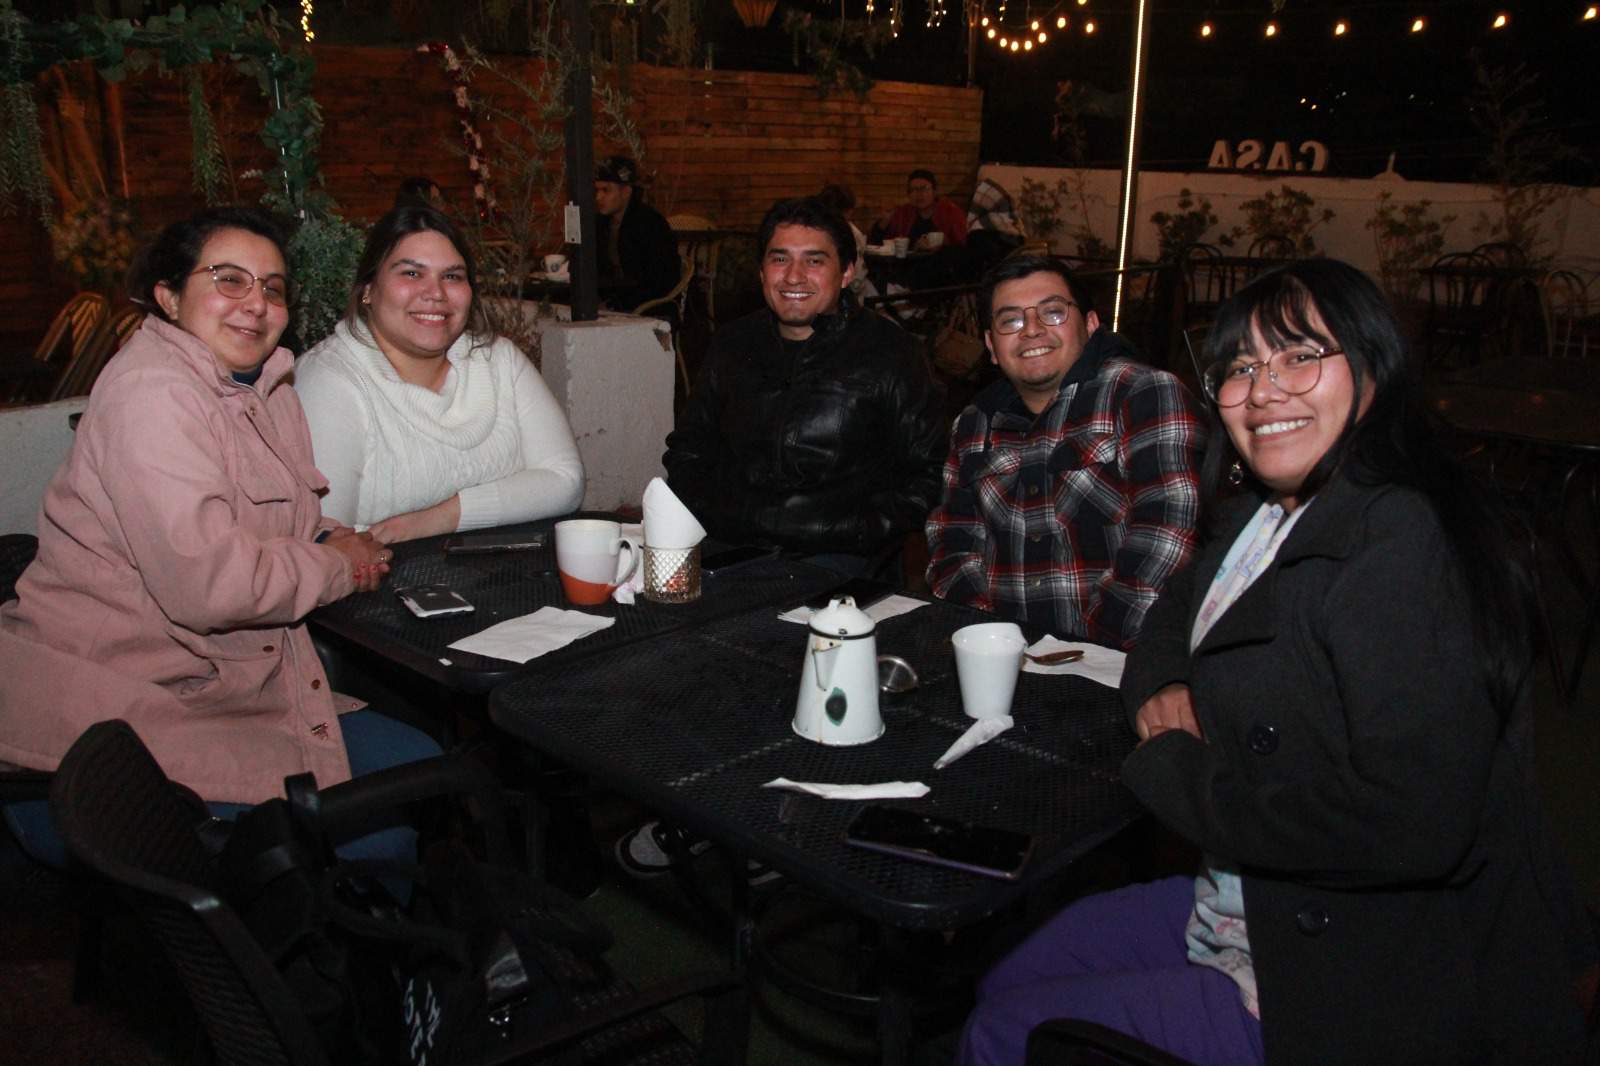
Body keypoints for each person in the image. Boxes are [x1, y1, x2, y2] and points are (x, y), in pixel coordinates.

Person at [958, 259, 1594, 1065]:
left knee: (998, 1031)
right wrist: (1169, 682)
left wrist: (1171, 765)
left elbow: (1413, 826)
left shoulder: (1398, 542)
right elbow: (1167, 618)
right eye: (1243, 367)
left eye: (1300, 356)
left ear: (1371, 370)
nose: (1265, 391)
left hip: (1350, 966)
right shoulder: (1264, 514)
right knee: (1004, 967)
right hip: (1242, 897)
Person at [0, 207, 438, 867]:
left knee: (424, 765)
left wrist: (332, 536)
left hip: (222, 686)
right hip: (123, 718)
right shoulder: (153, 393)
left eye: (272, 288)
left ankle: (359, 954)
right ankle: (324, 966)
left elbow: (267, 517)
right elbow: (212, 586)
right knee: (387, 820)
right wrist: (338, 567)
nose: (255, 305)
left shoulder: (263, 385)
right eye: (229, 281)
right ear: (169, 297)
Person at [925, 256, 1204, 649]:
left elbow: (1168, 535)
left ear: (1090, 325)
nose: (1033, 330)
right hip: (1003, 657)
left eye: (1053, 312)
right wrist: (993, 641)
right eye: (1011, 321)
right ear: (991, 345)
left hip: (1120, 657)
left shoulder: (1142, 394)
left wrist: (1083, 648)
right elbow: (952, 544)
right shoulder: (973, 425)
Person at [663, 196, 946, 569]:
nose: (794, 276)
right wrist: (718, 517)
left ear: (846, 272)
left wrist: (857, 530)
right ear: (762, 271)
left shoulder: (892, 353)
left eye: (814, 261)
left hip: (841, 563)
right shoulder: (732, 344)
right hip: (731, 551)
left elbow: (928, 472)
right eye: (780, 259)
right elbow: (689, 450)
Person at [296, 204, 584, 542]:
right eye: (411, 273)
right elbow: (328, 538)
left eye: (452, 276)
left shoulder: (498, 360)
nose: (435, 293)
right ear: (369, 290)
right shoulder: (330, 379)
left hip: (507, 579)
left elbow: (566, 482)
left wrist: (435, 519)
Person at [591, 155, 679, 312]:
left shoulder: (650, 224)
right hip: (611, 302)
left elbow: (660, 279)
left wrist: (617, 305)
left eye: (606, 190)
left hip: (647, 307)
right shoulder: (600, 223)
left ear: (626, 192)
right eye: (597, 190)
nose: (598, 197)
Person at [872, 168, 968, 249]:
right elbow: (877, 245)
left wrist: (944, 245)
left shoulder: (950, 212)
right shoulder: (904, 213)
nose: (919, 194)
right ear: (908, 194)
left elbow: (963, 247)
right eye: (914, 190)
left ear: (934, 191)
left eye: (924, 188)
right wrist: (885, 221)